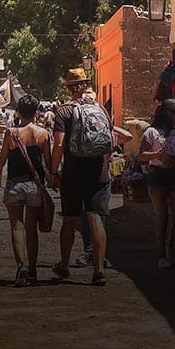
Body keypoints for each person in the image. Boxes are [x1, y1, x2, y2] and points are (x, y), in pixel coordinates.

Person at [50, 68, 110, 287]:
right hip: (98, 171)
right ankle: (99, 270)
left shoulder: (64, 112)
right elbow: (108, 140)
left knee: (70, 220)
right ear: (85, 86)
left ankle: (64, 266)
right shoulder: (100, 108)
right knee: (95, 218)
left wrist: (53, 171)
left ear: (69, 88)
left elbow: (58, 144)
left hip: (73, 172)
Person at [0, 94, 51, 286]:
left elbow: (2, 160)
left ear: (18, 112)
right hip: (35, 185)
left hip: (15, 185)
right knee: (31, 227)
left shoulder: (11, 133)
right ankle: (33, 269)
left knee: (16, 226)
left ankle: (22, 268)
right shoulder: (43, 134)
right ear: (36, 113)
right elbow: (48, 164)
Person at [139, 99, 175, 269]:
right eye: (174, 115)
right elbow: (141, 155)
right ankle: (161, 255)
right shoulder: (151, 132)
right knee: (162, 217)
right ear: (167, 114)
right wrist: (156, 156)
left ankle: (170, 243)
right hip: (157, 174)